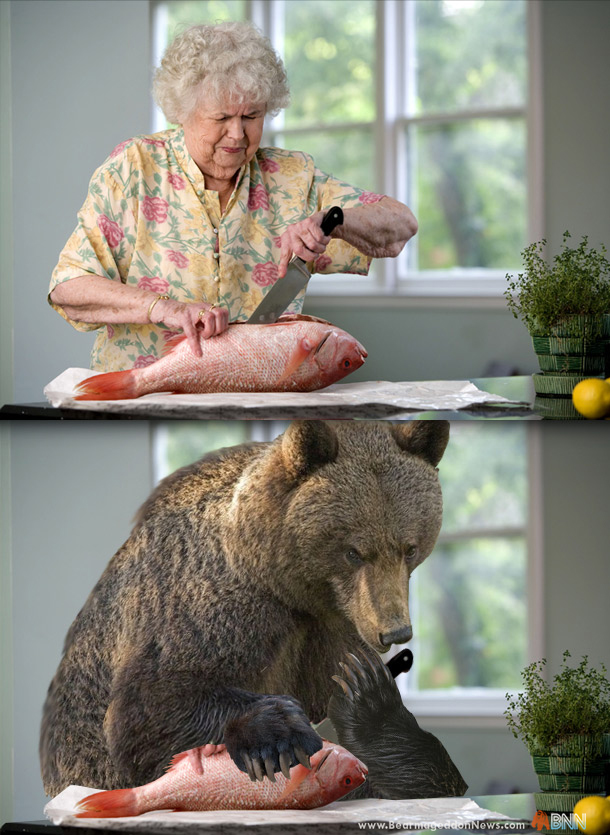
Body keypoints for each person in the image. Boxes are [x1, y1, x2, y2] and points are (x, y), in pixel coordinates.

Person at [49, 21, 418, 372]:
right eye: (222, 117)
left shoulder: (292, 177)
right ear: (183, 112)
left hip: (255, 399)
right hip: (139, 394)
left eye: (252, 116)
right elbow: (69, 287)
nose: (237, 134)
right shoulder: (135, 167)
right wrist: (165, 308)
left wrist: (334, 222)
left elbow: (401, 224)